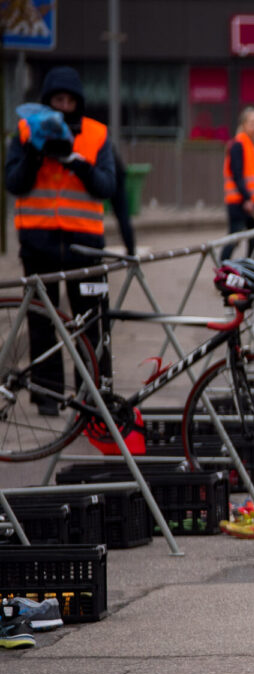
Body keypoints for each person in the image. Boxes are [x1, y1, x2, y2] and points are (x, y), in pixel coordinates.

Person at [4, 66, 118, 415]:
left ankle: (93, 393)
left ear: (79, 102)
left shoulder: (97, 135)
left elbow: (107, 187)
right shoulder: (26, 132)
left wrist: (79, 164)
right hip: (38, 242)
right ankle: (46, 395)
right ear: (47, 101)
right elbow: (13, 182)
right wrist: (37, 155)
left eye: (70, 100)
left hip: (83, 245)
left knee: (91, 322)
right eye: (57, 100)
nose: (64, 107)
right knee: (41, 323)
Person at [221, 107, 254, 260]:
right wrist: (247, 197)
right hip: (240, 201)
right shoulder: (237, 145)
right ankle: (223, 267)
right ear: (244, 124)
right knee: (235, 237)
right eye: (253, 122)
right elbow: (237, 174)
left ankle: (251, 275)